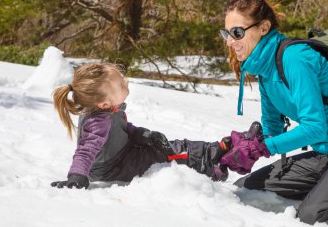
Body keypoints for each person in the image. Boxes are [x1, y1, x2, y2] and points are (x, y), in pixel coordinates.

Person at [218, 0, 328, 225]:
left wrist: (263, 148)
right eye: (226, 33)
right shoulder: (266, 69)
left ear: (263, 28)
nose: (230, 41)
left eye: (237, 33)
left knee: (315, 214)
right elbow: (273, 128)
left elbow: (315, 128)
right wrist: (245, 144)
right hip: (326, 154)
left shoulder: (295, 58)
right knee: (246, 190)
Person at [50, 63, 259, 189]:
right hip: (115, 168)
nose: (127, 84)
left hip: (124, 153)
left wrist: (140, 134)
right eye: (122, 85)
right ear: (103, 103)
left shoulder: (111, 109)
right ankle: (214, 167)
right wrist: (77, 176)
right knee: (168, 154)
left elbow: (123, 128)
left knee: (172, 145)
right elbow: (85, 150)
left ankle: (219, 149)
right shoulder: (97, 122)